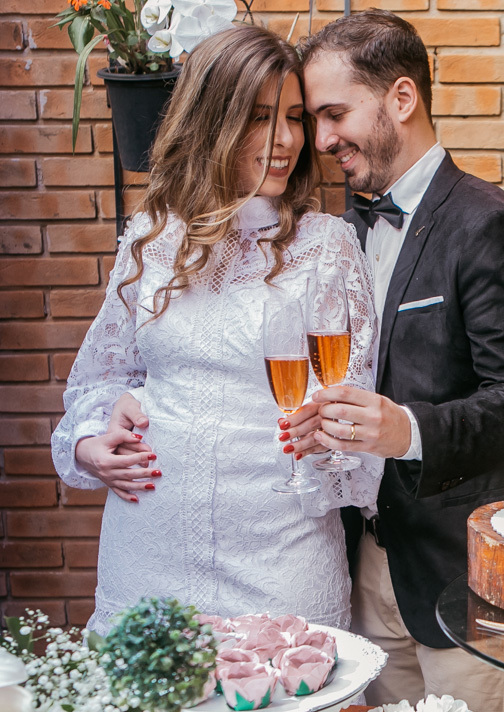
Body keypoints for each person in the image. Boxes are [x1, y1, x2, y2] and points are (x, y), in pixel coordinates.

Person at [288, 11, 504, 712]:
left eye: (334, 114)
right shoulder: (340, 230)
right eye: (314, 120)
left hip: (458, 580)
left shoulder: (489, 224)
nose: (321, 141)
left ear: (401, 99)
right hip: (370, 566)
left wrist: (405, 430)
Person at [50, 24, 380, 634]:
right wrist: (91, 444)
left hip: (281, 551)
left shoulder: (326, 246)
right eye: (260, 117)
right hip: (148, 544)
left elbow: (349, 420)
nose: (285, 140)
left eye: (294, 118)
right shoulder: (152, 237)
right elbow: (101, 379)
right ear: (212, 121)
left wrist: (327, 443)